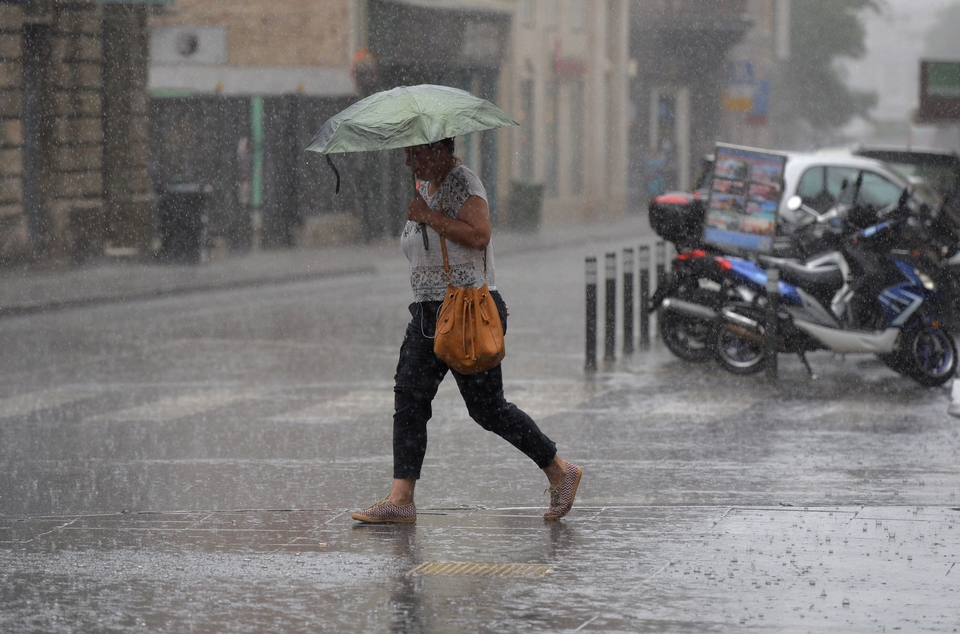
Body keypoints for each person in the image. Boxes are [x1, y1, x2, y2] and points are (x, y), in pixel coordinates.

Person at [352, 138, 582, 523]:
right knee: (409, 398)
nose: (409, 160)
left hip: (466, 311)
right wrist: (423, 213)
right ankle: (401, 498)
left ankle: (560, 470)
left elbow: (479, 235)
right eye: (406, 153)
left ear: (441, 149)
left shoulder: (463, 183)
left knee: (488, 409)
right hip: (428, 313)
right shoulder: (425, 188)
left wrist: (427, 217)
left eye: (416, 152)